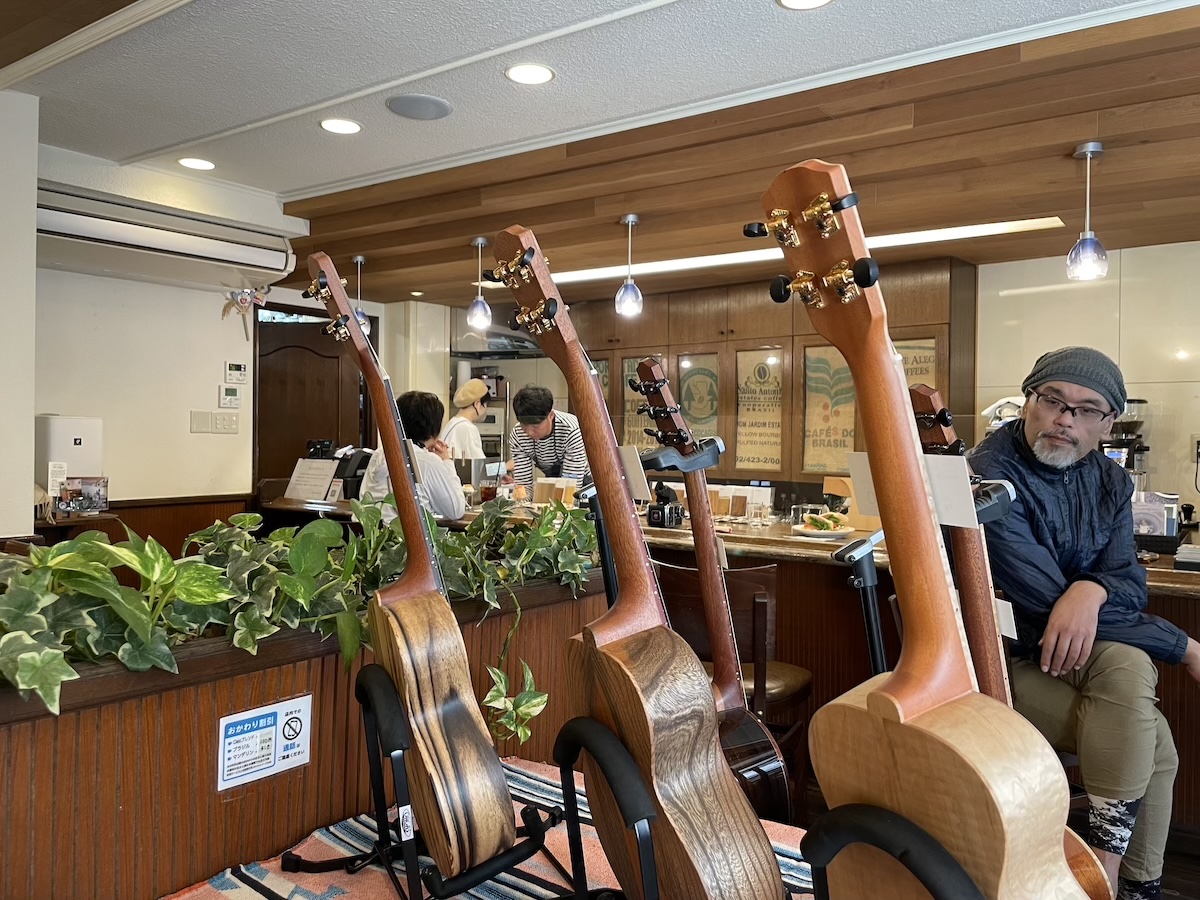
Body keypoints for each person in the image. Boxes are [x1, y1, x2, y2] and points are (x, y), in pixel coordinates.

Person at [968, 346, 1200, 900]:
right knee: (1151, 730)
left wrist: (1090, 590)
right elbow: (1039, 599)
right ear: (1028, 401)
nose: (1065, 420)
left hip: (1081, 652)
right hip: (1002, 657)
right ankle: (1121, 880)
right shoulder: (988, 474)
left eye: (1086, 409)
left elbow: (1128, 580)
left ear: (1108, 423)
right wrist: (1185, 646)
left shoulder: (1110, 480)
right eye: (1052, 401)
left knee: (1131, 677)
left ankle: (1115, 878)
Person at [359, 391, 466, 523]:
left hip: (372, 534)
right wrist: (446, 461)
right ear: (435, 426)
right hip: (406, 535)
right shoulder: (428, 462)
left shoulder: (380, 453)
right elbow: (456, 510)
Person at [507, 385, 590, 493]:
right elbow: (523, 484)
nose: (529, 432)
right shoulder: (518, 435)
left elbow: (571, 484)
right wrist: (522, 501)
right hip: (552, 480)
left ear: (551, 415)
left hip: (582, 482)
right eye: (524, 425)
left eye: (536, 426)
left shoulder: (571, 430)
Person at [439, 378, 488, 459]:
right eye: (486, 405)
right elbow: (479, 464)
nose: (486, 409)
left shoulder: (452, 422)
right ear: (477, 404)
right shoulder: (467, 427)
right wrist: (506, 465)